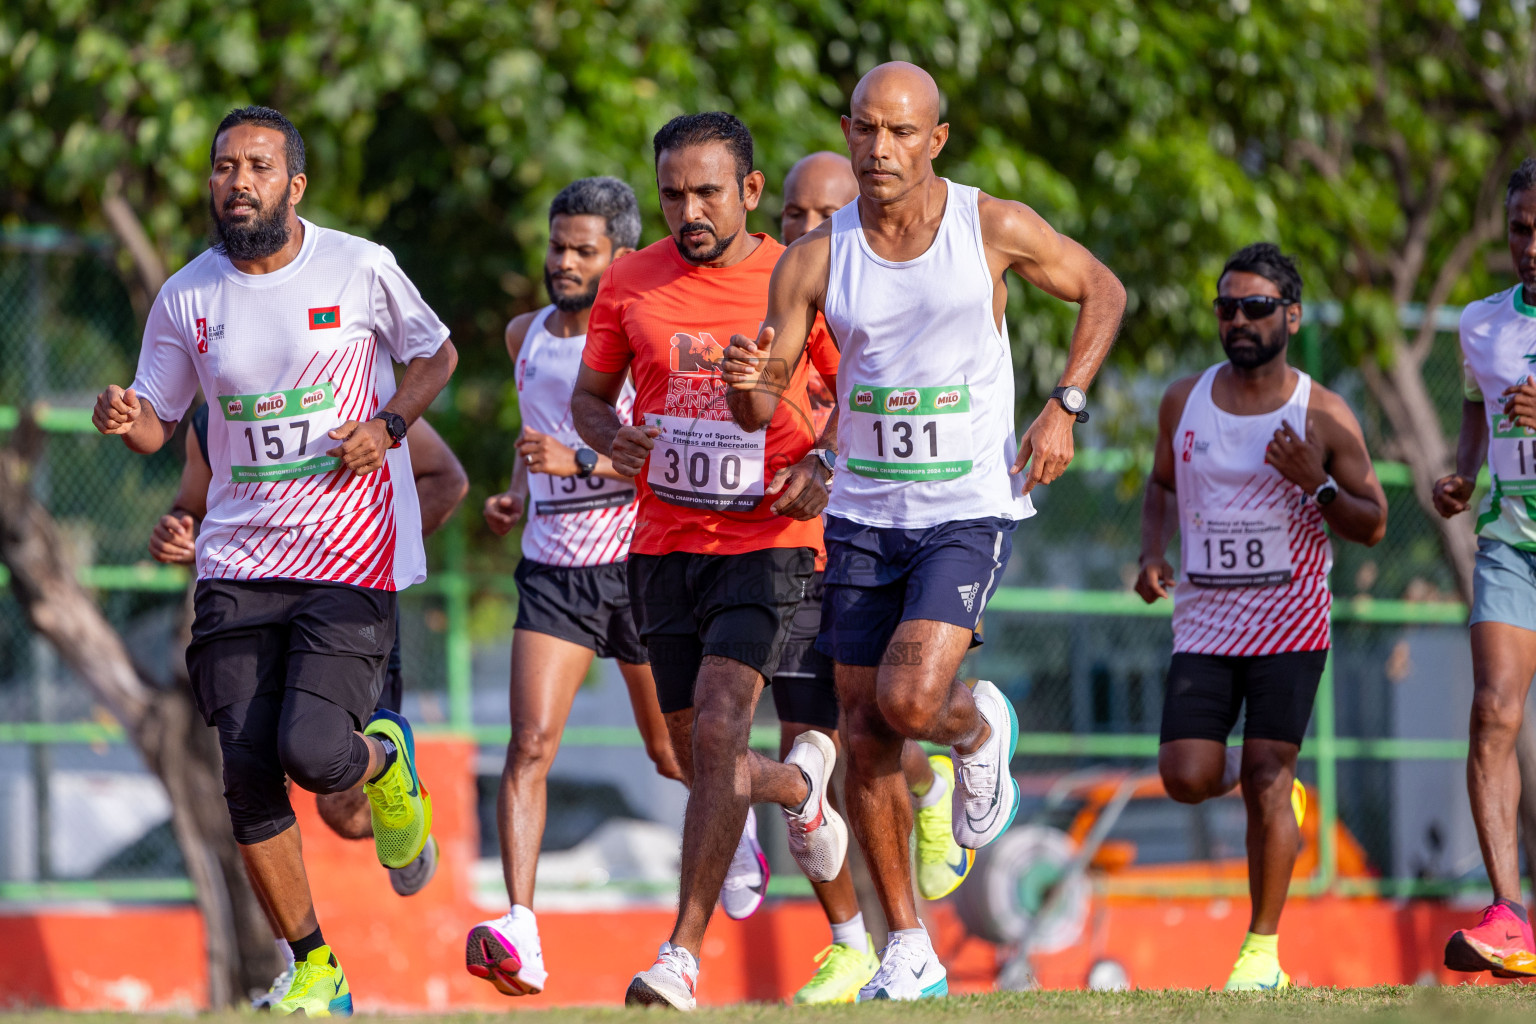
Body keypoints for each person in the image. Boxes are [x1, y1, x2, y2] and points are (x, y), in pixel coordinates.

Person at [723, 63, 1126, 1000]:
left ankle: (979, 723)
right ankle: (908, 947)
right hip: (865, 509)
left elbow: (1102, 290)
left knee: (909, 702)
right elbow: (759, 405)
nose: (879, 150)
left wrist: (1065, 402)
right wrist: (751, 382)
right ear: (847, 131)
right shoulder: (815, 257)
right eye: (864, 130)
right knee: (863, 733)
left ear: (935, 140)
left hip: (965, 506)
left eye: (901, 132)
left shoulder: (991, 226)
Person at [93, 105, 456, 1017]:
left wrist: (389, 425)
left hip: (347, 557)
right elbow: (156, 423)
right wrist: (122, 417)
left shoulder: (360, 267)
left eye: (257, 165)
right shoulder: (185, 296)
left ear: (294, 184)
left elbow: (437, 353)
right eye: (223, 166)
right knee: (247, 774)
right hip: (237, 562)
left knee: (314, 753)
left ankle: (384, 762)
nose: (237, 181)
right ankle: (315, 968)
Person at [572, 112, 849, 1010]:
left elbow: (860, 387)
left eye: (707, 192)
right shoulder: (629, 280)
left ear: (751, 192)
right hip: (661, 543)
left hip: (768, 539)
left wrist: (823, 460)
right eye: (672, 194)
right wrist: (611, 437)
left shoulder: (798, 274)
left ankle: (680, 955)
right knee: (698, 754)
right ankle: (800, 787)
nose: (688, 209)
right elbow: (588, 397)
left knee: (726, 726)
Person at [149, 405, 467, 1007]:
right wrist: (178, 524)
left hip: (344, 599)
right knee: (249, 778)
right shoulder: (209, 413)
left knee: (341, 807)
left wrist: (377, 551)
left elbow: (448, 478)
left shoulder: (344, 382)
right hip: (248, 598)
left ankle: (395, 783)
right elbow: (191, 502)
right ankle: (305, 968)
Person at [1136, 242, 1387, 989]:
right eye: (1227, 308)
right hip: (1205, 621)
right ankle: (1274, 791)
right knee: (1187, 775)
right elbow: (1161, 483)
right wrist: (1152, 551)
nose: (1239, 320)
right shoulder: (1184, 400)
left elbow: (1373, 522)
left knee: (1268, 775)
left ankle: (1260, 952)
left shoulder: (1324, 413)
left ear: (1291, 315)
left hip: (1290, 621)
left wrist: (1317, 486)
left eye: (1256, 307)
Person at [463, 177, 689, 998]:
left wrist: (583, 462)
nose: (562, 261)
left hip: (636, 567)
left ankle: (740, 829)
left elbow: (664, 466)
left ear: (619, 257)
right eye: (557, 246)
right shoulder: (526, 334)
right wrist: (514, 494)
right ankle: (521, 929)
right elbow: (536, 438)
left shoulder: (644, 340)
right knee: (529, 747)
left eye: (582, 250)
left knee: (672, 754)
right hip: (553, 570)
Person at [760, 150, 973, 1006]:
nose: (806, 234)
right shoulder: (771, 295)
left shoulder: (875, 303)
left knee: (881, 721)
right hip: (776, 555)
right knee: (808, 744)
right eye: (792, 218)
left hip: (871, 541)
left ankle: (941, 778)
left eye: (823, 218)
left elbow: (885, 404)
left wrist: (823, 451)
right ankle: (853, 941)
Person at [1433, 158, 1536, 980]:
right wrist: (1462, 473)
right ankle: (1510, 915)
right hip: (1513, 540)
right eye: (1519, 229)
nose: (1529, 245)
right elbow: (1476, 417)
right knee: (1494, 712)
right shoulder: (1481, 324)